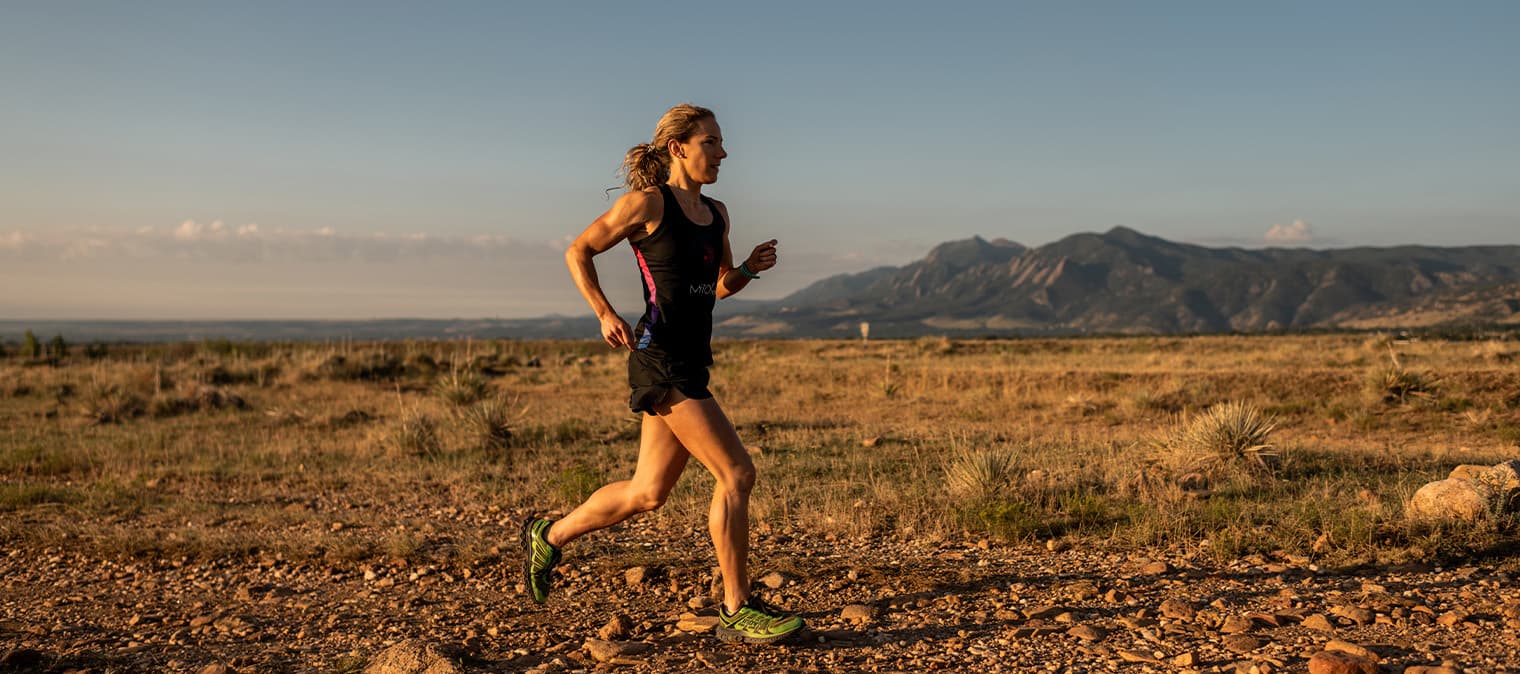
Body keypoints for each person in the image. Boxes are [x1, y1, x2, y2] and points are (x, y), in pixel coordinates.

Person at [522, 103, 804, 645]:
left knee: (648, 493)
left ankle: (549, 534)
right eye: (712, 143)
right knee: (737, 474)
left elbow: (718, 286)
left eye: (721, 144)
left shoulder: (718, 213)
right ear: (679, 148)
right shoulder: (647, 203)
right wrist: (604, 311)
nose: (722, 153)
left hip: (693, 357)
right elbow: (578, 250)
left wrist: (745, 268)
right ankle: (736, 607)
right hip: (659, 358)